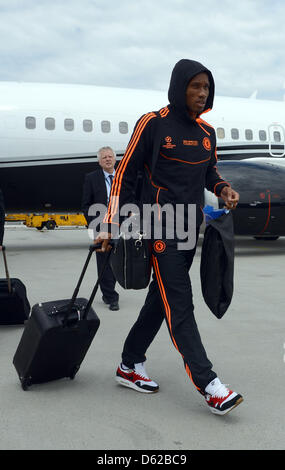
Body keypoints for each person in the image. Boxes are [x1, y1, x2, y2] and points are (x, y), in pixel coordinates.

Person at [97, 59, 243, 415]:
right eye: (195, 86)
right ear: (179, 87)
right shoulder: (153, 123)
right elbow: (124, 174)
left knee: (158, 303)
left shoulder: (207, 134)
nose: (202, 93)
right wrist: (112, 224)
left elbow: (209, 173)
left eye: (206, 87)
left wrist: (223, 188)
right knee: (179, 303)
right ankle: (210, 385)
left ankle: (129, 365)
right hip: (158, 230)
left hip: (188, 231)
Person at [82, 146, 119, 311]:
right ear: (99, 161)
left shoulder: (123, 178)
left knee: (118, 261)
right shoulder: (91, 178)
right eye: (104, 157)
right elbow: (86, 205)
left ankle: (108, 290)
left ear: (115, 159)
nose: (108, 159)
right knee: (104, 262)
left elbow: (132, 199)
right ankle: (111, 297)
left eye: (110, 156)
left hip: (121, 225)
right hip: (101, 227)